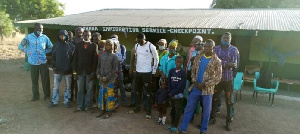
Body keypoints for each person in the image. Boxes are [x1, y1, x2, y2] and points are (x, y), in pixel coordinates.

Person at [179, 39, 222, 134]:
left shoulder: (217, 61)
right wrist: (195, 82)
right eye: (205, 46)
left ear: (213, 48)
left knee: (206, 111)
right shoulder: (198, 57)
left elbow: (218, 77)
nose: (206, 48)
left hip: (208, 90)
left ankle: (203, 130)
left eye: (209, 47)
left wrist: (205, 84)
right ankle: (182, 128)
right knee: (189, 108)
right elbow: (193, 71)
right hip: (196, 88)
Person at [210, 32, 239, 131]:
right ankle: (212, 118)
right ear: (221, 38)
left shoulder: (234, 50)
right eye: (224, 37)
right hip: (217, 80)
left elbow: (234, 64)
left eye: (228, 37)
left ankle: (229, 121)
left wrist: (220, 62)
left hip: (228, 80)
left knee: (229, 101)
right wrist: (227, 64)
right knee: (214, 99)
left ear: (230, 39)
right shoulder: (216, 49)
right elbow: (213, 61)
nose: (226, 39)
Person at [18, 23, 53, 101]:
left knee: (45, 80)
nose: (40, 30)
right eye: (39, 29)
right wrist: (27, 51)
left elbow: (51, 47)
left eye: (42, 29)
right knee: (34, 81)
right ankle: (35, 96)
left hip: (43, 62)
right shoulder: (28, 37)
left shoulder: (45, 37)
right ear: (35, 29)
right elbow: (20, 46)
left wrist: (45, 52)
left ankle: (47, 96)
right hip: (33, 63)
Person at [128, 33, 159, 120]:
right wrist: (133, 68)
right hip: (138, 72)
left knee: (148, 93)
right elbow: (135, 58)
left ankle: (148, 112)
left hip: (147, 73)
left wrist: (153, 70)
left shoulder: (150, 46)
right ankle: (137, 107)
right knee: (138, 91)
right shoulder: (137, 46)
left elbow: (156, 58)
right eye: (138, 40)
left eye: (141, 40)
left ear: (144, 39)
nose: (139, 42)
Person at [73, 30, 98, 112]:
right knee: (80, 90)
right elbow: (75, 59)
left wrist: (93, 72)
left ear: (90, 36)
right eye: (85, 35)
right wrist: (74, 72)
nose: (86, 36)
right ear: (82, 35)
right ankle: (80, 106)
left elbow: (95, 60)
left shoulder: (94, 46)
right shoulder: (78, 45)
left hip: (89, 72)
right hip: (79, 71)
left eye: (88, 35)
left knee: (89, 90)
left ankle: (87, 106)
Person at [49, 30, 75, 108]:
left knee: (68, 87)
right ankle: (54, 101)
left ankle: (67, 101)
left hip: (68, 71)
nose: (62, 37)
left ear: (67, 36)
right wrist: (54, 66)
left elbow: (73, 59)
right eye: (61, 35)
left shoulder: (71, 46)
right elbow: (53, 58)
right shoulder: (55, 45)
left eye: (64, 35)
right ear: (58, 36)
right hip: (57, 70)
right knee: (56, 87)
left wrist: (71, 68)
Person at [96, 39, 118, 119]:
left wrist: (107, 77)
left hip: (110, 80)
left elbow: (114, 69)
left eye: (109, 45)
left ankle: (109, 111)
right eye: (107, 45)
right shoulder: (102, 55)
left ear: (112, 46)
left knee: (110, 96)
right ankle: (102, 110)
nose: (108, 46)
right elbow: (98, 66)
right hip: (101, 79)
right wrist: (98, 75)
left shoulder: (114, 56)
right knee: (102, 95)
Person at [167, 56, 186, 133]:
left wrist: (173, 92)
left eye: (180, 62)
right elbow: (169, 82)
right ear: (175, 62)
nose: (179, 64)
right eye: (177, 62)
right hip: (171, 94)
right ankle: (172, 124)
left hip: (178, 95)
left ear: (182, 63)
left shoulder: (183, 72)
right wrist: (170, 91)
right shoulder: (171, 71)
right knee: (172, 110)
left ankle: (175, 126)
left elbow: (182, 85)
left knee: (178, 110)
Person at [112, 34, 128, 107]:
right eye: (112, 38)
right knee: (113, 86)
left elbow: (124, 58)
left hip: (119, 69)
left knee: (121, 85)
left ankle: (124, 101)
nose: (113, 39)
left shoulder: (122, 47)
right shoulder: (110, 47)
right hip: (111, 70)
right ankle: (114, 102)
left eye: (115, 38)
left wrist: (118, 64)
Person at [70, 27, 84, 101]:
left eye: (81, 31)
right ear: (75, 32)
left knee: (78, 81)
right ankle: (71, 96)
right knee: (72, 81)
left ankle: (77, 97)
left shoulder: (84, 39)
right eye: (78, 31)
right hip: (73, 61)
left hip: (81, 63)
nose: (79, 33)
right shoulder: (72, 40)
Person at [91, 32, 102, 107]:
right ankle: (93, 99)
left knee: (98, 86)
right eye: (93, 39)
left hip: (99, 70)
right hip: (92, 69)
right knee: (92, 86)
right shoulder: (91, 46)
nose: (94, 40)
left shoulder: (101, 47)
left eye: (96, 39)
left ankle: (98, 101)